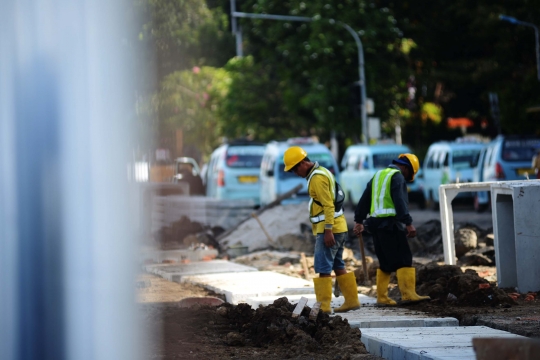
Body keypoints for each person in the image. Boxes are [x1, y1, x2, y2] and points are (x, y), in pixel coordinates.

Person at [283, 146, 360, 313]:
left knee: (323, 267)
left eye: (295, 168)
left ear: (303, 163)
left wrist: (328, 230)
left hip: (330, 229)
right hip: (338, 227)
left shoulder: (316, 178)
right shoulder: (321, 171)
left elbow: (328, 205)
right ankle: (352, 300)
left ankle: (323, 307)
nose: (295, 173)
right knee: (338, 264)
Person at [353, 153, 430, 306]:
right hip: (390, 224)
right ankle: (408, 295)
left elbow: (364, 199)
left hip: (375, 225)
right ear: (406, 168)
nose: (407, 177)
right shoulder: (397, 176)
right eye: (410, 174)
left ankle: (382, 297)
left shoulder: (378, 175)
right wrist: (408, 223)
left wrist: (358, 220)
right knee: (405, 258)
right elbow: (400, 201)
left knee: (385, 261)